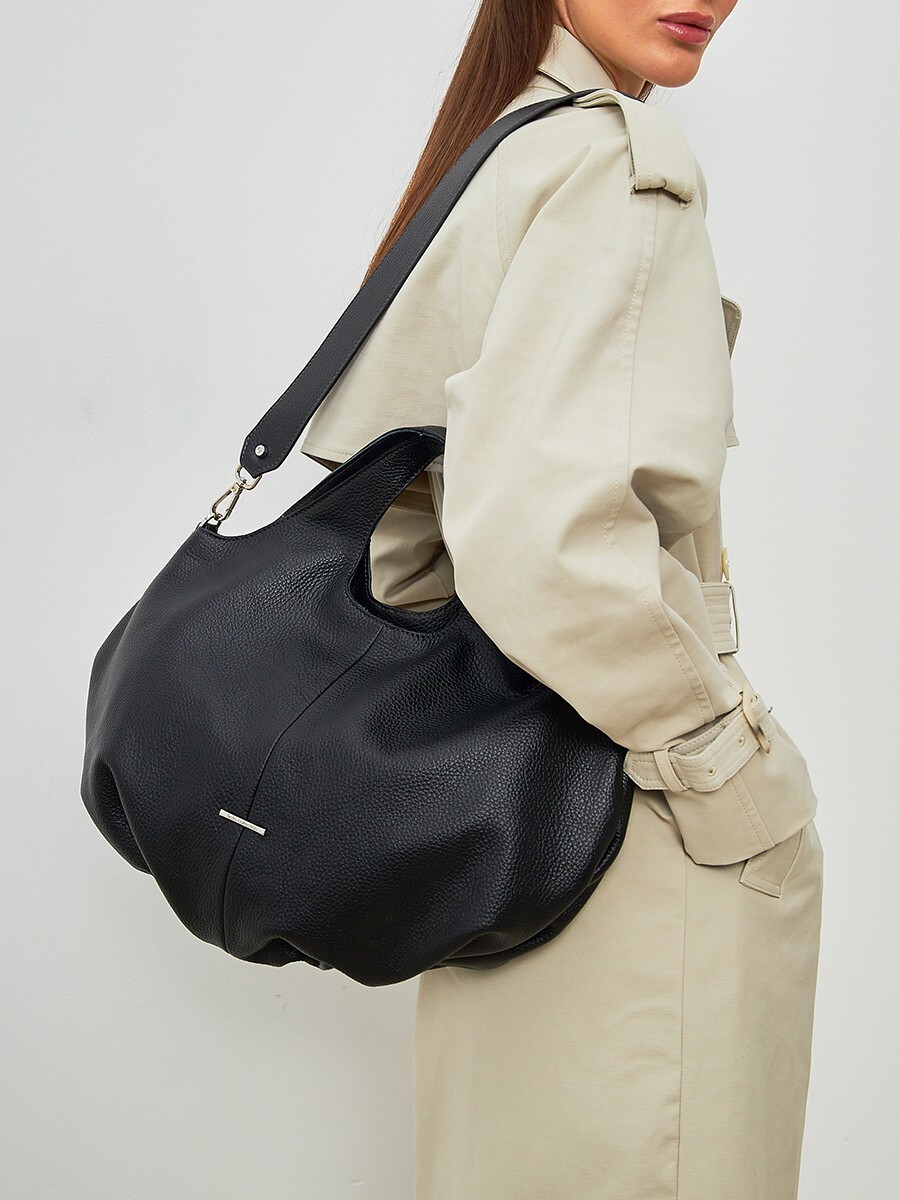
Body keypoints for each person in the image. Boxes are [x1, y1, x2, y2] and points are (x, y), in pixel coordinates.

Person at [298, 3, 824, 1197]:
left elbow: (407, 538)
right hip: (631, 827)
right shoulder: (609, 168)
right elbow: (545, 540)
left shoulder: (503, 150)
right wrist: (723, 765)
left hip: (499, 826)